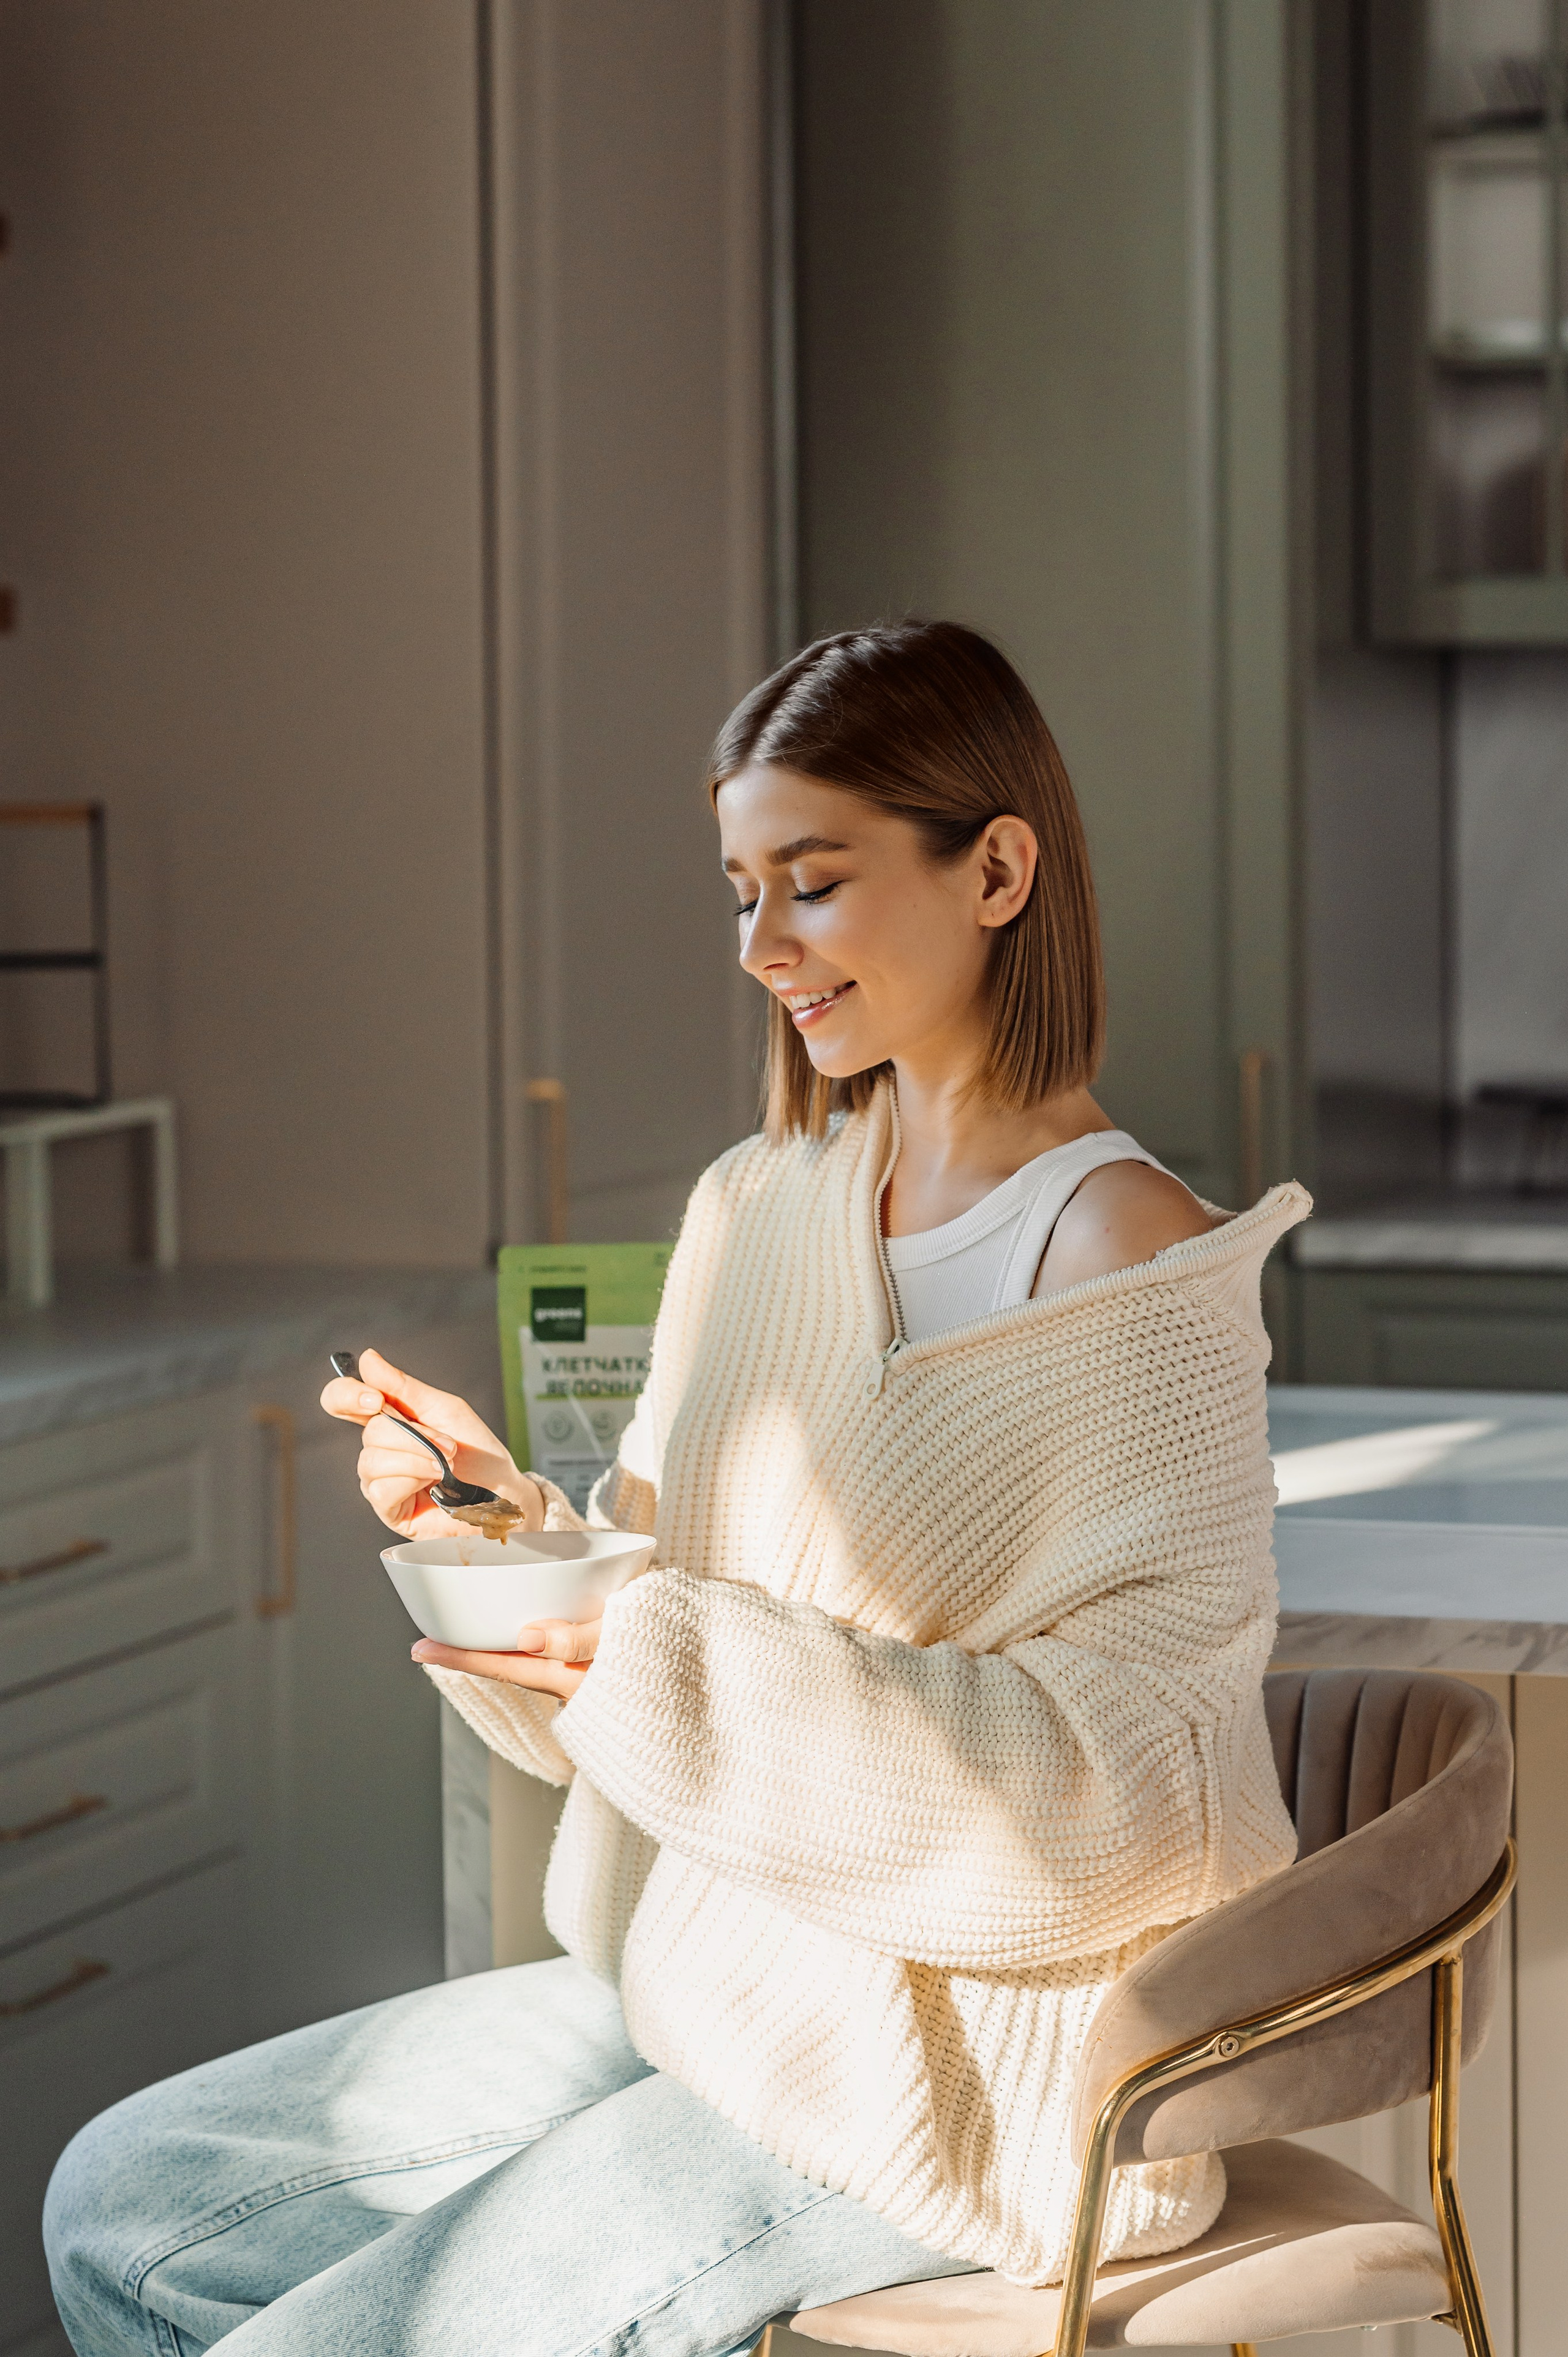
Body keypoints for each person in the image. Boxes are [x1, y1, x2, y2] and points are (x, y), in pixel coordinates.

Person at [45, 622, 1308, 2356]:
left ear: (998, 867)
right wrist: (502, 1528)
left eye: (812, 883)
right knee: (125, 2201)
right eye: (740, 892)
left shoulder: (1126, 1267)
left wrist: (638, 1642)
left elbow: (1134, 1800)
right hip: (707, 1979)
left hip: (961, 2085)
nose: (761, 947)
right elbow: (662, 1617)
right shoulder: (758, 1205)